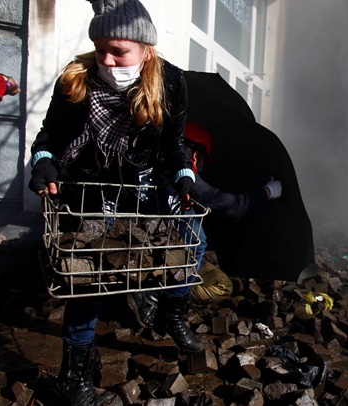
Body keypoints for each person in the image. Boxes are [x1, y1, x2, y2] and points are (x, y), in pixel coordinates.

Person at [28, 1, 195, 405]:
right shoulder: (77, 78)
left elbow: (174, 146)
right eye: (100, 47)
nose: (106, 59)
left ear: (146, 50)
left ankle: (172, 313)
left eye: (118, 51)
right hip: (88, 189)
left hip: (143, 187)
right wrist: (45, 165)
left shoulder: (170, 82)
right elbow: (48, 137)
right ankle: (75, 378)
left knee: (192, 246)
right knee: (87, 277)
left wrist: (186, 178)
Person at [127, 120, 282, 338]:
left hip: (151, 252)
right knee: (222, 285)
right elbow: (233, 206)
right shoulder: (184, 177)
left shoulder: (145, 164)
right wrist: (268, 192)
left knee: (209, 268)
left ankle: (157, 295)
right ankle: (163, 300)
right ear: (194, 153)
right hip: (171, 257)